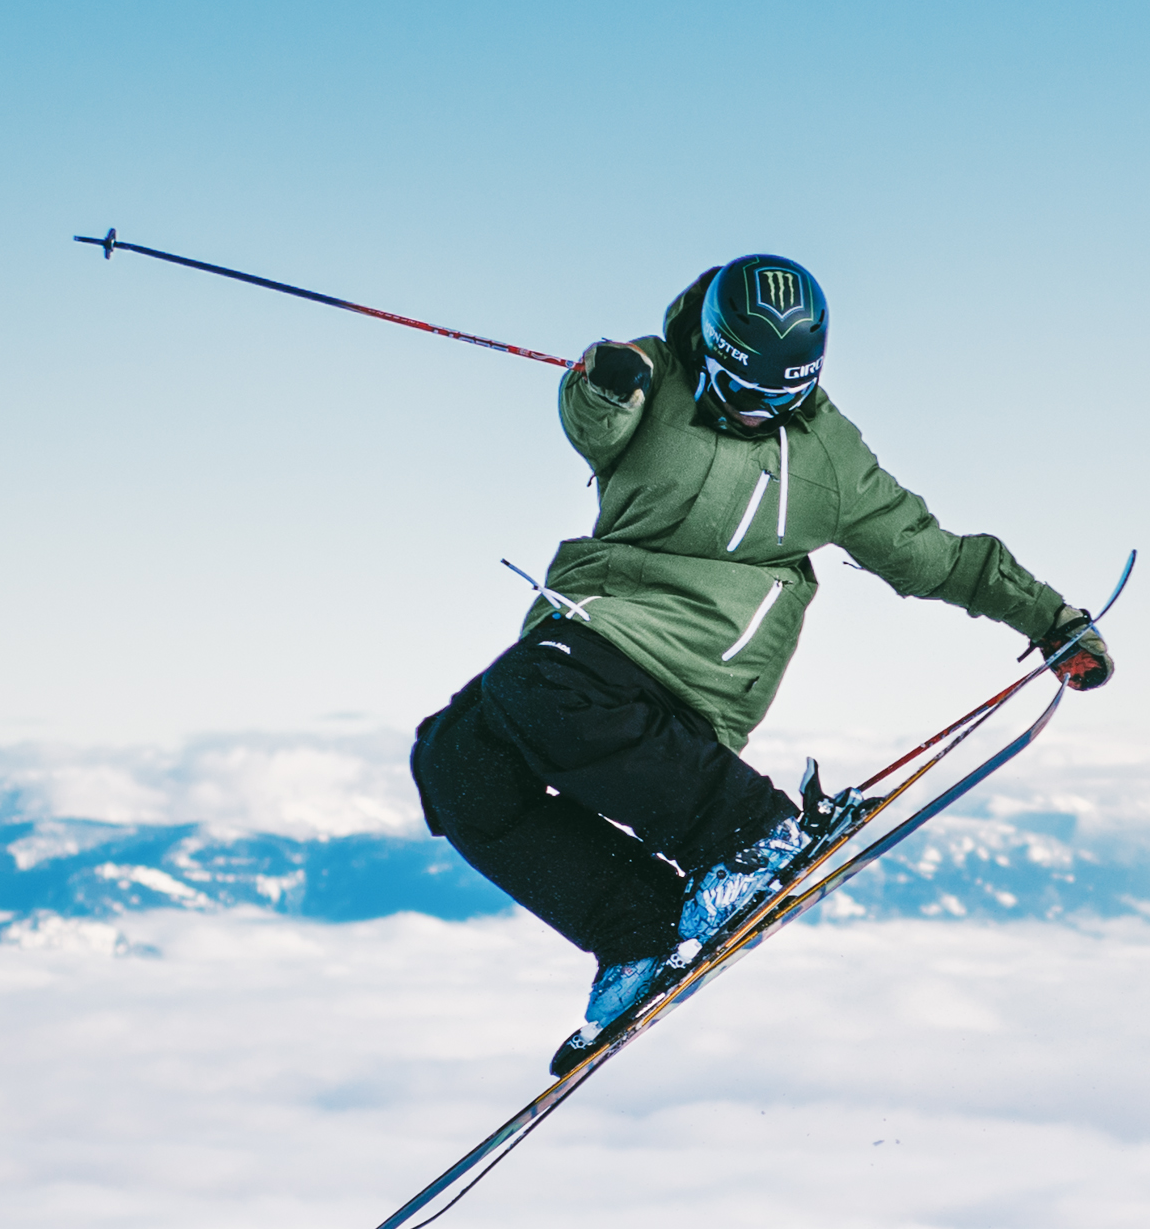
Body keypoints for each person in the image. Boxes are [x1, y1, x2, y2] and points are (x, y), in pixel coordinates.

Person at [410, 254, 1113, 1066]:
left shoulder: (827, 457)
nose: (756, 412)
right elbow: (594, 421)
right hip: (600, 624)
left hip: (705, 651)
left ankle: (748, 837)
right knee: (453, 759)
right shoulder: (658, 377)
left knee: (536, 684)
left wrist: (1050, 618)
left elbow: (933, 556)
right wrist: (606, 380)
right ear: (708, 352)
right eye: (739, 391)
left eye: (781, 398)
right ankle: (636, 931)